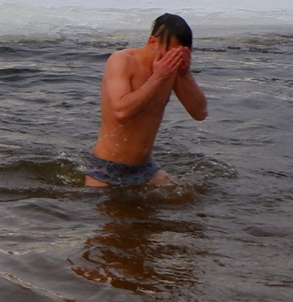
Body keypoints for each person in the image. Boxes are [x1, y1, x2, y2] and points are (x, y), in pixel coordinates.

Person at [85, 13, 207, 187]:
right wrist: (157, 78)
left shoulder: (173, 70)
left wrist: (184, 73)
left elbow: (200, 113)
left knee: (187, 201)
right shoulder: (122, 61)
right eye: (169, 54)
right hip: (107, 168)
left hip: (146, 168)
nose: (172, 61)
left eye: (179, 56)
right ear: (153, 42)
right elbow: (121, 112)